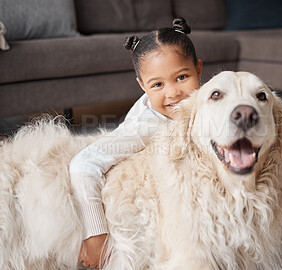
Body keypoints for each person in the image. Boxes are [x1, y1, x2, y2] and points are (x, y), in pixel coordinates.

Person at [69, 17, 203, 269]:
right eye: (158, 85)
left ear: (198, 69)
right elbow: (83, 165)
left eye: (182, 77)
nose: (173, 92)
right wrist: (96, 236)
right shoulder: (144, 128)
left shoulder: (206, 99)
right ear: (143, 86)